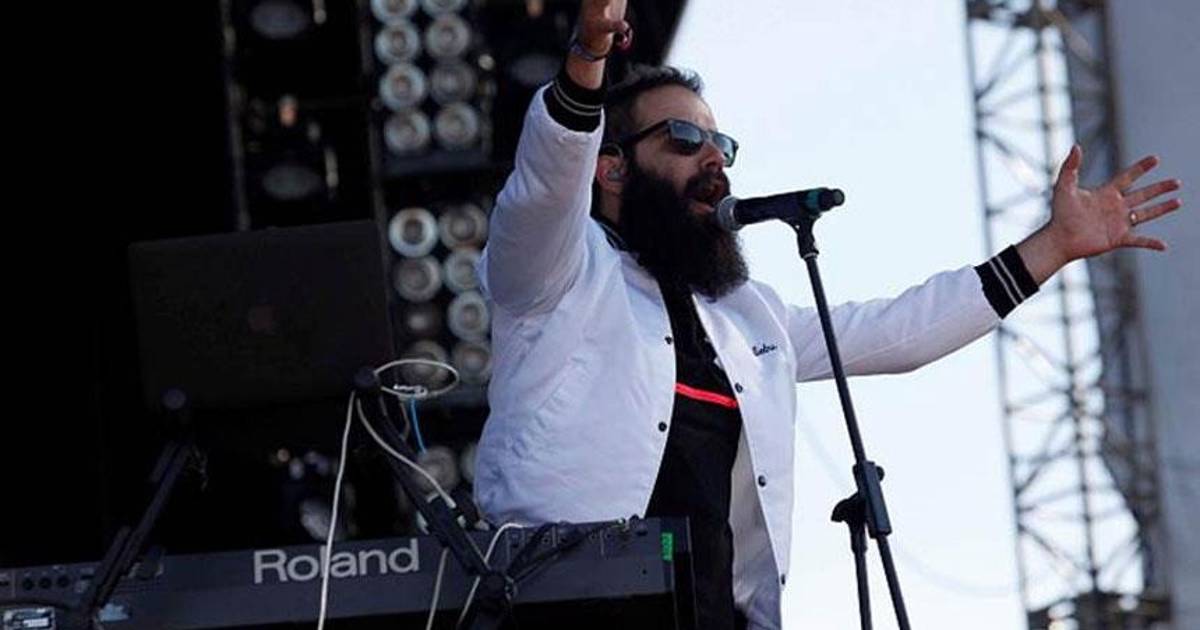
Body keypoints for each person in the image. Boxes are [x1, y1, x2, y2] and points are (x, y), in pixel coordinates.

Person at [471, 1, 1183, 627]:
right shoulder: (553, 274)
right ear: (613, 168)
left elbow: (900, 333)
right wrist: (589, 53)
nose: (714, 160)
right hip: (561, 604)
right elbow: (546, 181)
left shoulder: (747, 318)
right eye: (684, 140)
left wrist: (1052, 247)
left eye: (722, 145)